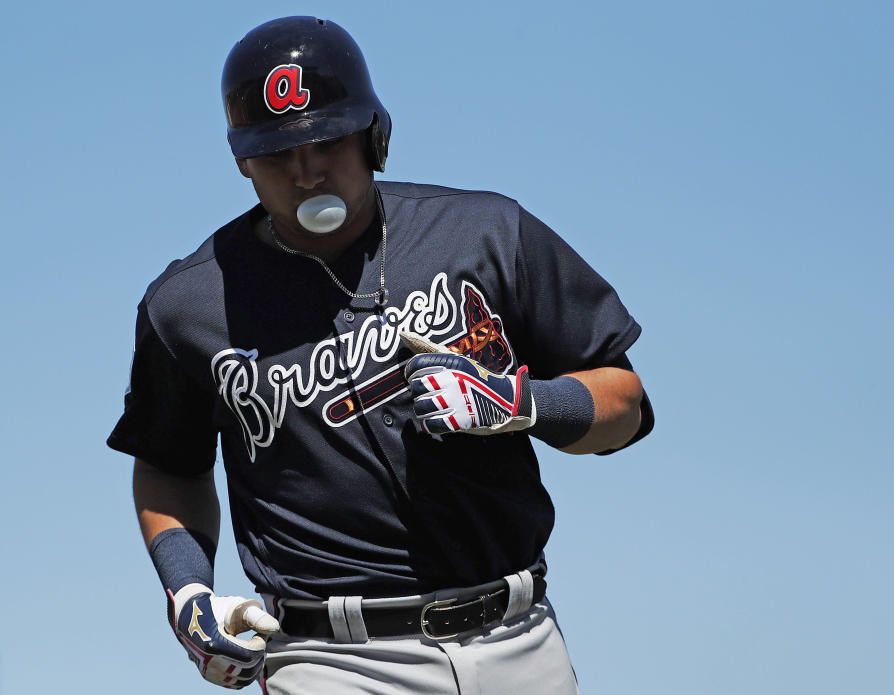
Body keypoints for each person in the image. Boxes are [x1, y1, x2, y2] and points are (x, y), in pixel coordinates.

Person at [108, 15, 653, 695]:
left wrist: (521, 403)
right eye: (277, 153)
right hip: (334, 660)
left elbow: (625, 403)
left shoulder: (486, 232)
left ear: (374, 134)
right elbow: (168, 466)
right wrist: (187, 591)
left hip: (518, 639)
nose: (306, 171)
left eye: (326, 141)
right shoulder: (186, 305)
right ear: (241, 160)